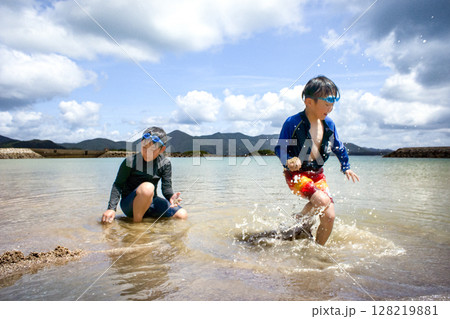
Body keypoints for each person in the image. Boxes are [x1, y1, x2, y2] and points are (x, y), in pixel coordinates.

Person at [275, 75, 359, 245]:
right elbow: (279, 148)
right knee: (321, 200)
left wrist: (346, 166)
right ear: (309, 102)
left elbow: (338, 147)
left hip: (318, 175)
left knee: (329, 215)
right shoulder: (293, 122)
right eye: (327, 104)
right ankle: (299, 223)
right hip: (296, 175)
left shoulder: (329, 124)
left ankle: (317, 249)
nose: (331, 108)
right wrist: (289, 160)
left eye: (333, 104)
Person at [102, 127, 187, 223]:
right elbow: (118, 185)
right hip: (129, 204)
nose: (147, 152)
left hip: (152, 202)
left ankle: (148, 220)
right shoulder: (130, 161)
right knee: (148, 187)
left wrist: (171, 196)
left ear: (162, 149)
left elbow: (166, 188)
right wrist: (111, 208)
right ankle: (137, 225)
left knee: (182, 214)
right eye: (144, 147)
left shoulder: (165, 163)